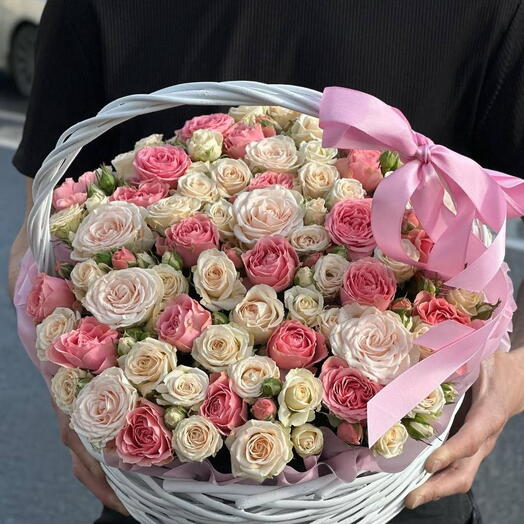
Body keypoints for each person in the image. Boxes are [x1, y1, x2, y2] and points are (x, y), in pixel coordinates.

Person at [8, 1, 524, 523]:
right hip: (165, 499)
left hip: (405, 491)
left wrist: (511, 375)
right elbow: (40, 229)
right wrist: (76, 394)